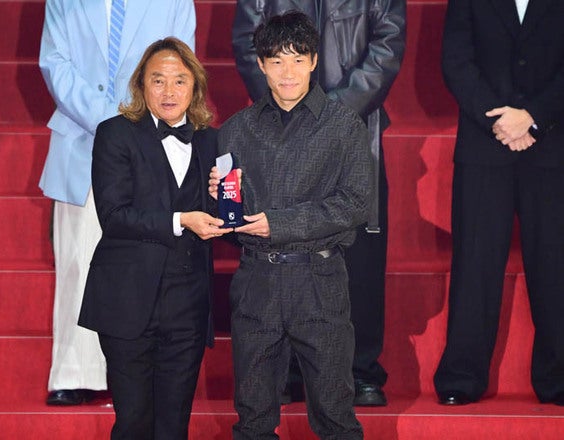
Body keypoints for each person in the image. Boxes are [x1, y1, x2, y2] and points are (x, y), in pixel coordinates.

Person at [232, 0, 406, 406]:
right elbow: (247, 40)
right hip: (280, 124)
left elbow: (388, 44)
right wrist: (290, 105)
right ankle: (288, 370)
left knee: (358, 253)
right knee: (284, 240)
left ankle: (361, 369)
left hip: (355, 124)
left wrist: (329, 115)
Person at [211, 11, 371, 439]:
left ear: (315, 61)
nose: (288, 72)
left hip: (319, 280)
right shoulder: (235, 131)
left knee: (335, 415)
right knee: (252, 417)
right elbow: (229, 219)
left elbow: (355, 203)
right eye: (277, 61)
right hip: (256, 280)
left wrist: (277, 224)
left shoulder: (344, 127)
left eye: (298, 59)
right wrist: (218, 197)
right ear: (261, 64)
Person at [38, 0, 196, 405]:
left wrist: (133, 126)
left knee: (140, 258)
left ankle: (137, 368)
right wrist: (110, 124)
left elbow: (182, 65)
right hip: (80, 136)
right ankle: (74, 373)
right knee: (77, 259)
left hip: (149, 142)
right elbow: (54, 62)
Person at [77, 37, 230, 439]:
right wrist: (181, 219)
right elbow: (114, 216)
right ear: (141, 86)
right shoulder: (115, 134)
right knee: (133, 423)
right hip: (127, 301)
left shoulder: (213, 141)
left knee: (173, 426)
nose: (168, 91)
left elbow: (224, 223)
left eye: (179, 81)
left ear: (195, 87)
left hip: (187, 305)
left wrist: (225, 200)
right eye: (158, 80)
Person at [434, 0, 564, 406]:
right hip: (483, 144)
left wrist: (534, 117)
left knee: (555, 263)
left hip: (552, 146)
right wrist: (499, 120)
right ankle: (461, 377)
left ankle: (559, 377)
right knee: (475, 263)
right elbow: (456, 60)